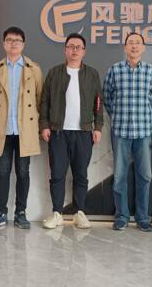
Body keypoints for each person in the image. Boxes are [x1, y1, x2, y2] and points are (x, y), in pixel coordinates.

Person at [39, 33, 104, 230]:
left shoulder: (92, 74)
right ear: (65, 50)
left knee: (81, 174)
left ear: (84, 51)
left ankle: (79, 212)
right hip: (58, 132)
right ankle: (57, 213)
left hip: (83, 132)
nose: (74, 50)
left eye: (78, 47)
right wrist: (44, 125)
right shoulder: (54, 73)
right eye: (71, 46)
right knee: (57, 174)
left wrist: (98, 127)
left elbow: (98, 103)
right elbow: (45, 102)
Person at [0, 27, 43, 229]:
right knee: (2, 172)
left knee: (23, 172)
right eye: (9, 40)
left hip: (24, 130)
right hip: (3, 128)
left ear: (23, 44)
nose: (13, 43)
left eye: (17, 40)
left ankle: (21, 213)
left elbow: (40, 98)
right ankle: (0, 213)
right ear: (4, 44)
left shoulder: (33, 69)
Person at [103, 32, 152, 232]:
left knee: (144, 176)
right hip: (120, 131)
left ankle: (142, 217)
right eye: (130, 43)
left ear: (143, 47)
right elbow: (107, 98)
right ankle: (122, 216)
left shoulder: (151, 71)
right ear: (125, 47)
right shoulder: (114, 70)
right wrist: (117, 115)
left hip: (144, 132)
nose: (134, 46)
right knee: (120, 176)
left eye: (137, 43)